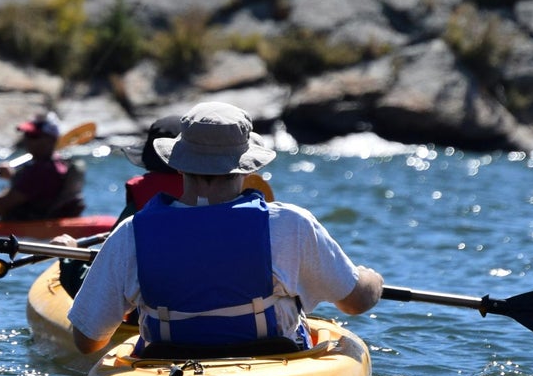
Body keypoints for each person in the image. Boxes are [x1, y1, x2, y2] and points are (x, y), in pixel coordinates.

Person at [67, 101, 381, 360]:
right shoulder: (290, 224)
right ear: (248, 166)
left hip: (167, 371)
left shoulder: (130, 233)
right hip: (270, 370)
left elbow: (87, 340)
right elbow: (356, 302)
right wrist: (370, 281)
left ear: (178, 163)